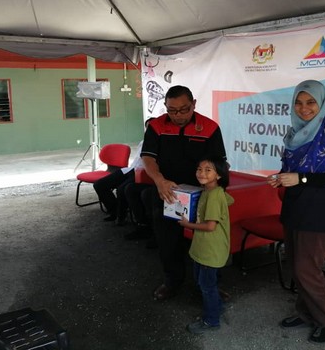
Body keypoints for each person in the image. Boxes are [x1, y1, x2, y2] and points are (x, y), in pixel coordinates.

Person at [268, 79, 325, 344]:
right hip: (295, 207)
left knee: (307, 269)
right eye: (298, 102)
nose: (303, 108)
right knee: (296, 266)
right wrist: (281, 177)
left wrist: (302, 178)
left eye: (310, 102)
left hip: (321, 211)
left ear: (322, 103)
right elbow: (293, 170)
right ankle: (305, 313)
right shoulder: (295, 133)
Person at [141, 85, 227, 301]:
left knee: (208, 242)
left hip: (202, 195)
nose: (178, 115)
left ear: (194, 104)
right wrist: (159, 181)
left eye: (184, 109)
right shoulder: (156, 126)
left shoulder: (209, 127)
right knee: (167, 241)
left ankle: (210, 285)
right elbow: (148, 157)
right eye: (172, 110)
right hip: (166, 192)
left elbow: (219, 163)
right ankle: (172, 282)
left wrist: (213, 190)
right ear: (165, 106)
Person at [179, 157, 234, 334]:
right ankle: (217, 306)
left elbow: (210, 226)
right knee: (203, 281)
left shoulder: (214, 195)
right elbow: (230, 200)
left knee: (206, 286)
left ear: (219, 175)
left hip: (210, 249)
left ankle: (211, 321)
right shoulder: (210, 191)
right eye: (199, 169)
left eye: (208, 170)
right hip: (203, 247)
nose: (201, 173)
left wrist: (187, 224)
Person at [94, 119, 154, 225]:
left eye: (152, 128)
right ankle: (114, 211)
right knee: (99, 185)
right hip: (130, 170)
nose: (149, 130)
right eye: (147, 128)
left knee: (122, 189)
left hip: (143, 174)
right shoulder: (143, 142)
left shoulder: (161, 144)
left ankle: (121, 216)